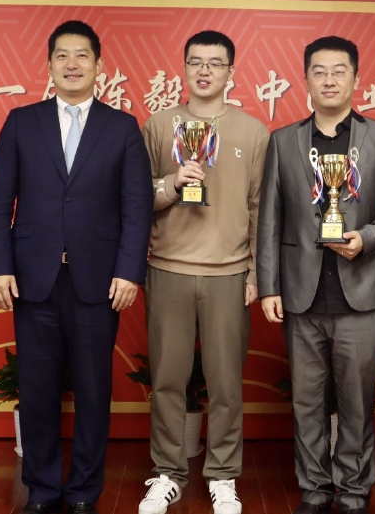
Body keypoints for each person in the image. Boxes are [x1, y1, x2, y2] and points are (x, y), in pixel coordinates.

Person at [0, 20, 153, 514]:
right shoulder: (21, 121)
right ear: (49, 65)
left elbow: (137, 206)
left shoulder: (121, 127)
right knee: (38, 391)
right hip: (32, 279)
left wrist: (129, 271)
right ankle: (42, 489)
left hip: (99, 281)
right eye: (62, 55)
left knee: (94, 392)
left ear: (99, 66)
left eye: (82, 55)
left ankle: (83, 492)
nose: (72, 64)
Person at [257, 36, 375, 514]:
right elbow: (270, 218)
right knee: (306, 401)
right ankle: (314, 489)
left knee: (357, 401)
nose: (329, 80)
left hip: (362, 293)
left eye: (339, 71)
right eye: (319, 71)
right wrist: (269, 286)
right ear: (305, 79)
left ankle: (354, 490)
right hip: (300, 293)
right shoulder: (283, 140)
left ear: (356, 79)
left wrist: (365, 237)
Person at [137, 30, 269, 514]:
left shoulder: (252, 132)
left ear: (231, 72)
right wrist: (172, 184)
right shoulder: (158, 125)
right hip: (167, 268)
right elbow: (136, 198)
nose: (205, 70)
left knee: (226, 384)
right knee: (167, 381)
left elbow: (261, 209)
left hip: (229, 274)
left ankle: (223, 475)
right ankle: (167, 473)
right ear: (184, 69)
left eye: (215, 63)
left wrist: (256, 274)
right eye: (196, 62)